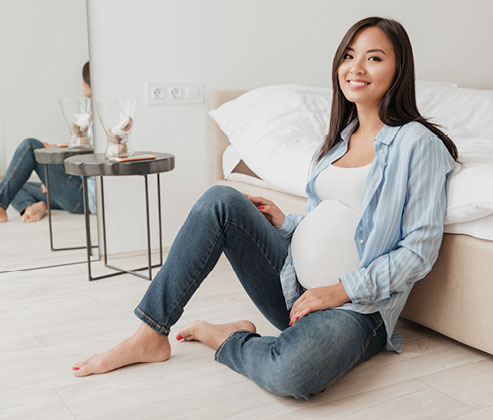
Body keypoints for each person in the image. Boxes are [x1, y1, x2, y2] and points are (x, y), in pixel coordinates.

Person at [72, 17, 459, 399]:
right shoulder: (335, 144)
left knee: (291, 372)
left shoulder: (416, 143)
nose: (355, 68)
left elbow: (418, 251)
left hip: (357, 308)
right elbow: (336, 218)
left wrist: (340, 290)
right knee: (219, 201)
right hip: (293, 290)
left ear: (399, 69)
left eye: (374, 58)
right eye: (348, 55)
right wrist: (287, 223)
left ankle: (227, 337)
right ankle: (150, 334)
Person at [0, 61, 95, 223]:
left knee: (30, 146)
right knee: (15, 182)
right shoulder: (91, 115)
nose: (81, 83)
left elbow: (92, 160)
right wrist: (64, 151)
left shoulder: (98, 118)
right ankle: (35, 205)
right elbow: (88, 150)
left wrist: (57, 177)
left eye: (84, 79)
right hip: (75, 194)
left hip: (83, 196)